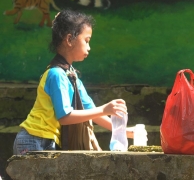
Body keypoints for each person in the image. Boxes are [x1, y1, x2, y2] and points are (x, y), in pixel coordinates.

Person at [13, 9, 133, 155]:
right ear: (69, 40)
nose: (89, 47)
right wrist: (105, 109)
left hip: (47, 141)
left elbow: (92, 112)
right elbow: (65, 117)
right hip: (34, 140)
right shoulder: (56, 74)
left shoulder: (72, 76)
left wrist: (125, 131)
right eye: (86, 41)